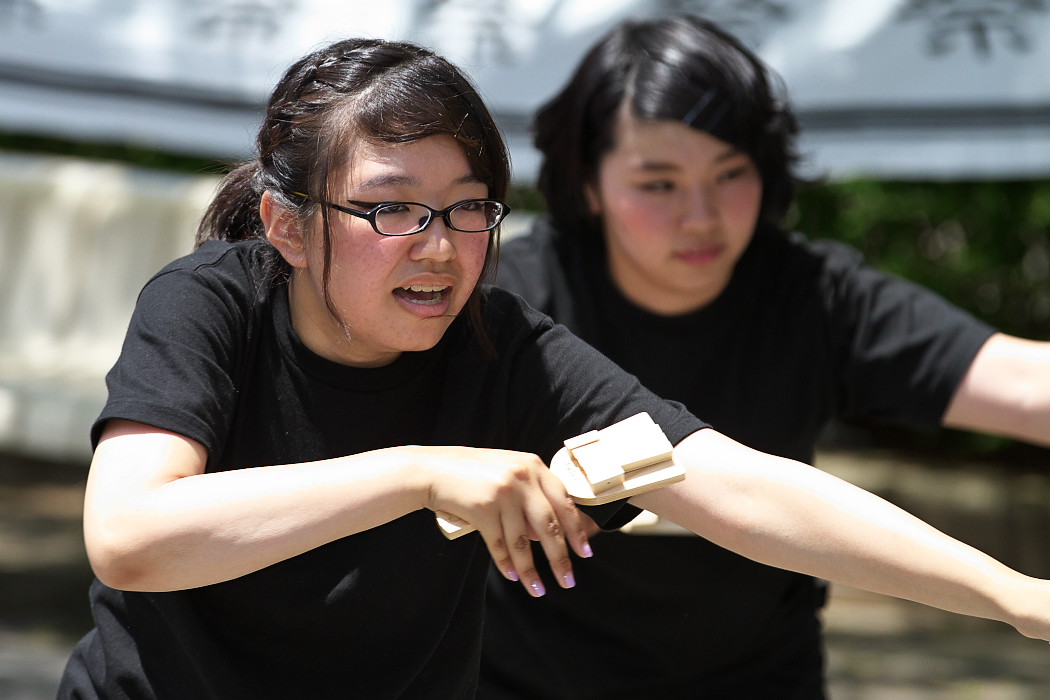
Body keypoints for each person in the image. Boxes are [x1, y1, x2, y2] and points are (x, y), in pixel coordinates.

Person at [56, 35, 1050, 700]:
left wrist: (1014, 596)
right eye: (392, 208)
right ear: (287, 223)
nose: (438, 247)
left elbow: (733, 480)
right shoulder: (209, 301)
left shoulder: (503, 338)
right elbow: (133, 536)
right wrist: (420, 472)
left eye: (467, 207)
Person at [482, 14, 1050, 700]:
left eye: (730, 173)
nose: (701, 215)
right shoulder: (510, 306)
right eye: (658, 184)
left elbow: (1023, 382)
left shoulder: (811, 294)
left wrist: (1020, 598)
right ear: (589, 183)